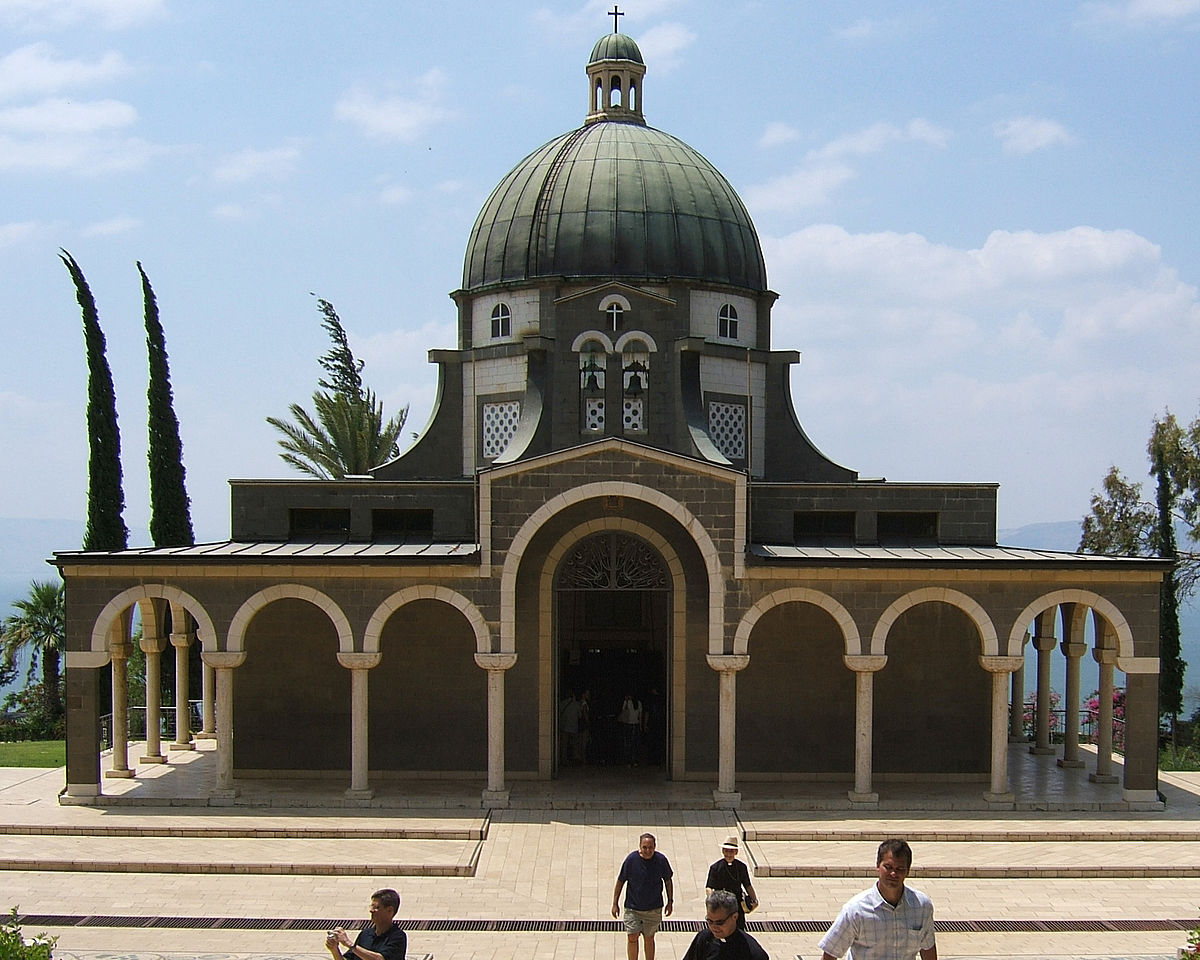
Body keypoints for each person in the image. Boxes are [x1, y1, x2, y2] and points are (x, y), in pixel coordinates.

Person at [818, 839, 936, 960]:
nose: (893, 874)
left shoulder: (922, 907)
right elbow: (830, 953)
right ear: (877, 866)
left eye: (900, 869)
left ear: (908, 871)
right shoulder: (856, 910)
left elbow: (928, 949)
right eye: (888, 867)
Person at [612, 831, 674, 960]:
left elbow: (668, 880)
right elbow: (621, 881)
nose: (647, 850)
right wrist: (615, 903)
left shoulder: (661, 860)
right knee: (632, 937)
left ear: (655, 847)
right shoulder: (631, 860)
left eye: (650, 847)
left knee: (649, 938)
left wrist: (670, 901)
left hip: (653, 908)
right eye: (644, 847)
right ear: (640, 847)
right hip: (633, 907)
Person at [681, 890, 768, 960]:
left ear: (735, 917)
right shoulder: (704, 939)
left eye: (720, 922)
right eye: (710, 921)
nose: (714, 927)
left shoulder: (753, 954)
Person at [326, 887, 407, 960]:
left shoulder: (398, 937)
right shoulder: (365, 934)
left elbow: (380, 959)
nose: (371, 910)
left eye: (376, 907)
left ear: (390, 911)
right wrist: (334, 950)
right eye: (371, 906)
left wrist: (348, 943)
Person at [705, 835, 759, 930]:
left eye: (731, 851)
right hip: (721, 903)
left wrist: (754, 900)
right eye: (726, 851)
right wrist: (712, 901)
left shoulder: (741, 867)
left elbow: (748, 885)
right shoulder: (715, 868)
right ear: (723, 851)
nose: (729, 854)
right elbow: (709, 887)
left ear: (736, 852)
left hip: (736, 904)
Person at [617, 692, 643, 766]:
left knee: (628, 743)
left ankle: (628, 760)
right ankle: (634, 760)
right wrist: (640, 726)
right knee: (635, 743)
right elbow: (640, 715)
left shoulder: (627, 702)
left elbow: (623, 712)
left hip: (628, 724)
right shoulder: (638, 703)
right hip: (636, 724)